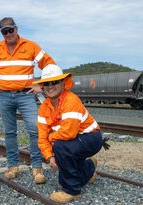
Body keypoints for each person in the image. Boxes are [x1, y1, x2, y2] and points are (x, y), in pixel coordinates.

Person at [0, 17, 55, 184]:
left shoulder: (31, 46)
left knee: (35, 130)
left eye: (10, 30)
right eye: (4, 31)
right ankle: (13, 166)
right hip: (4, 96)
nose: (8, 34)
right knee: (9, 132)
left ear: (16, 29)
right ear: (1, 33)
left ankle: (37, 167)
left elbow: (49, 64)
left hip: (26, 95)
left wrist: (40, 86)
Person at [33, 64, 110, 203]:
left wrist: (51, 141)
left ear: (63, 83)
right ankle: (89, 168)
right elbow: (41, 137)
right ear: (42, 86)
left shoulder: (71, 100)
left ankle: (71, 191)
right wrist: (50, 156)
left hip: (91, 138)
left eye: (54, 82)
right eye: (46, 83)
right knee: (64, 156)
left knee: (61, 147)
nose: (50, 86)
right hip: (74, 141)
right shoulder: (43, 109)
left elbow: (68, 133)